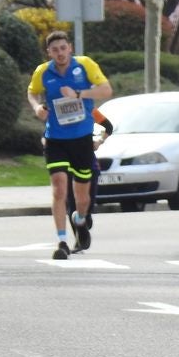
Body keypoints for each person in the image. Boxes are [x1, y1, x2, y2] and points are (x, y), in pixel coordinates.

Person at [27, 31, 112, 259]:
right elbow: (32, 92)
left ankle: (80, 220)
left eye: (63, 48)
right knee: (59, 188)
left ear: (70, 48)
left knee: (82, 198)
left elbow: (106, 90)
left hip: (81, 138)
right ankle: (62, 241)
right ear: (49, 52)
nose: (60, 53)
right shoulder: (43, 71)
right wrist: (36, 107)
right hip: (56, 138)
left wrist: (78, 93)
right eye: (55, 50)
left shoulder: (85, 65)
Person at [66, 108, 114, 253]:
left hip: (88, 163)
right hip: (67, 163)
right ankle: (79, 240)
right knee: (71, 204)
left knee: (86, 201)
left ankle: (86, 216)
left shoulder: (88, 109)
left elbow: (108, 127)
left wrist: (99, 141)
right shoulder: (57, 109)